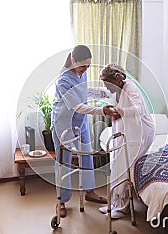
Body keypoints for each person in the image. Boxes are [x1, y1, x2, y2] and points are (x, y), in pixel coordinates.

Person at [51, 45, 117, 218]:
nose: (85, 70)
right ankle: (61, 201)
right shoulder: (63, 80)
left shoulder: (83, 71)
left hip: (81, 122)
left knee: (87, 155)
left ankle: (90, 192)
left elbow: (83, 91)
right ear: (73, 60)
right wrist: (103, 111)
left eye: (88, 66)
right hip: (64, 122)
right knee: (64, 161)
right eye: (82, 66)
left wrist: (101, 92)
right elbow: (78, 106)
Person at [98, 64, 155, 219]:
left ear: (117, 80)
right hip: (127, 131)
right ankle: (115, 203)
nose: (106, 87)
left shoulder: (130, 88)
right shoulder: (116, 90)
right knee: (116, 162)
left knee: (124, 166)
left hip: (141, 133)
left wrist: (119, 111)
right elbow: (102, 94)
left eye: (108, 83)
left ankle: (124, 208)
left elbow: (139, 109)